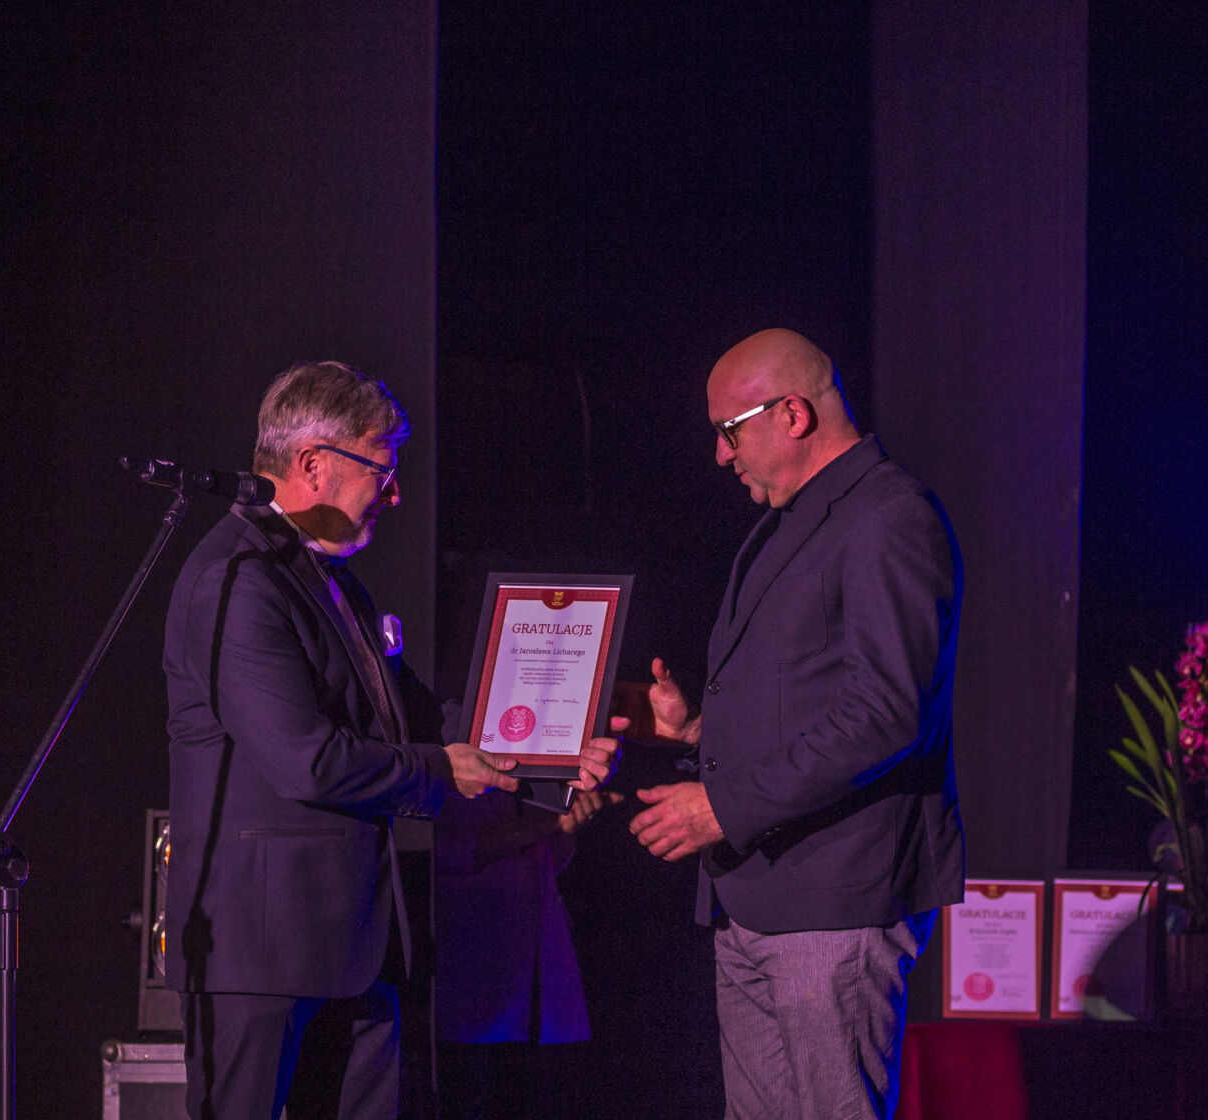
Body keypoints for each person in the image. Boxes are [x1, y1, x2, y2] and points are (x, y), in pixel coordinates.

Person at [162, 360, 617, 1120]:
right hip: (261, 952)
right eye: (383, 467)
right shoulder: (237, 579)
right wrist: (442, 771)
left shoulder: (328, 577)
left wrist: (554, 739)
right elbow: (306, 760)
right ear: (313, 463)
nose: (396, 492)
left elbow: (414, 716)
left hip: (354, 945)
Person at [625, 329, 965, 1119]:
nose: (720, 455)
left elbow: (886, 714)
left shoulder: (889, 515)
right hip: (757, 893)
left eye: (729, 430)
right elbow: (807, 697)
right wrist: (698, 730)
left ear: (792, 413)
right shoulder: (793, 520)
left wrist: (722, 807)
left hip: (835, 898)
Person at [433, 787, 620, 1120]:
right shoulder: (450, 770)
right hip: (473, 970)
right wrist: (550, 822)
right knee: (469, 1094)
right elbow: (452, 849)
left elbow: (552, 862)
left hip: (538, 968)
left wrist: (567, 824)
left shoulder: (537, 775)